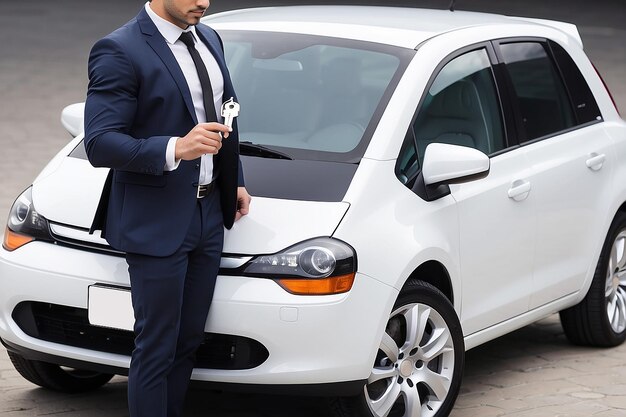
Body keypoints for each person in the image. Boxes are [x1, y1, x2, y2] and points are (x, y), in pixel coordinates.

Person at [83, 0, 251, 416]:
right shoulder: (119, 49)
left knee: (188, 341)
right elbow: (100, 142)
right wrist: (176, 147)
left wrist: (236, 180)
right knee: (157, 346)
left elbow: (224, 116)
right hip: (156, 220)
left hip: (210, 214)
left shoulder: (209, 37)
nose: (204, 3)